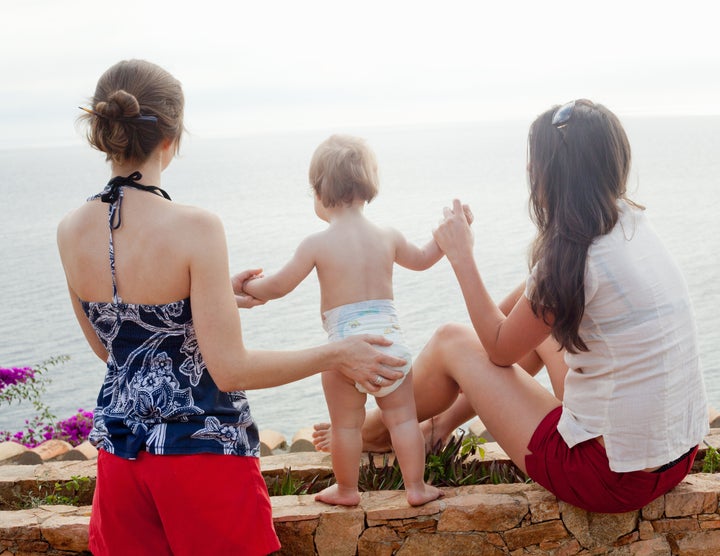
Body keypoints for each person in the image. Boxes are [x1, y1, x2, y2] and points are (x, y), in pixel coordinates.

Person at [56, 60, 406, 556]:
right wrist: (337, 354)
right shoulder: (197, 227)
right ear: (171, 138)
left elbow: (115, 349)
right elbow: (230, 369)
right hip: (202, 458)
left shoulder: (69, 230)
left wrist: (216, 295)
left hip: (120, 460)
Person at [314, 100, 709, 514]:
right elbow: (526, 319)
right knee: (526, 306)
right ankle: (438, 425)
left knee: (453, 341)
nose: (527, 172)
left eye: (534, 162)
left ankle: (377, 430)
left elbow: (501, 349)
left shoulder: (570, 259)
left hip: (607, 476)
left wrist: (461, 256)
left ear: (554, 175)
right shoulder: (627, 224)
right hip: (672, 457)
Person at [240, 134, 448, 506]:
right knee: (402, 420)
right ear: (368, 186)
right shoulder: (388, 235)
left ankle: (348, 490)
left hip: (344, 350)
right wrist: (446, 234)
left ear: (319, 192)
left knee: (346, 425)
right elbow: (423, 258)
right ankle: (415, 487)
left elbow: (278, 287)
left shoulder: (317, 243)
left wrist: (247, 286)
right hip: (390, 346)